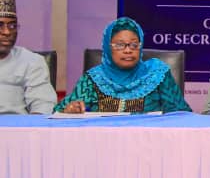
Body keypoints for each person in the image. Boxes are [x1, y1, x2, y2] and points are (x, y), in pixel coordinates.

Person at [56, 17, 189, 114]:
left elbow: (180, 114)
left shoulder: (157, 74)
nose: (128, 50)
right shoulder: (93, 79)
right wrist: (71, 109)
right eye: (120, 45)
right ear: (108, 48)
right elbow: (63, 110)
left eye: (134, 45)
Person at [0, 0, 56, 114]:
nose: (7, 32)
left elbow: (43, 108)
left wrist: (29, 129)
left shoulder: (32, 62)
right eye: (0, 25)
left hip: (15, 130)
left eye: (12, 26)